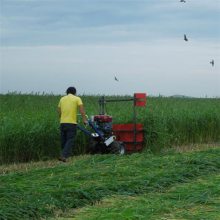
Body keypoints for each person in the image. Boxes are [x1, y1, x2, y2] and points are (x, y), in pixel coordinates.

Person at [58, 87, 87, 162]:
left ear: (67, 92)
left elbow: (59, 111)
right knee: (70, 139)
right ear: (75, 92)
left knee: (63, 140)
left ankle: (64, 156)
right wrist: (84, 120)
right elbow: (82, 111)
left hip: (62, 122)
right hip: (71, 123)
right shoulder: (77, 98)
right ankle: (63, 155)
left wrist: (62, 118)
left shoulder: (62, 99)